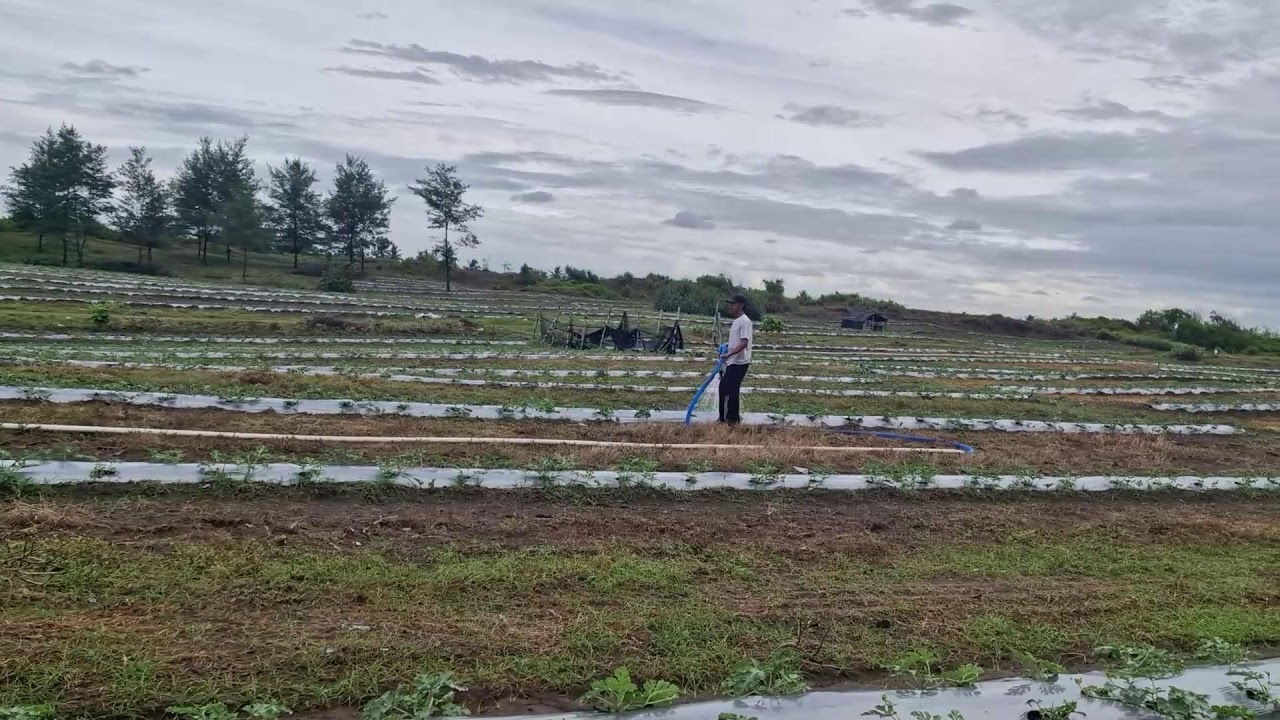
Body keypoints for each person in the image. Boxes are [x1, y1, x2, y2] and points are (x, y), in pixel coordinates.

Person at [718, 294, 753, 424]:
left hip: (739, 362)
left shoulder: (745, 321)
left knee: (731, 390)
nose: (730, 306)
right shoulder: (737, 321)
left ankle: (732, 420)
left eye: (733, 304)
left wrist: (729, 354)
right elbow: (736, 341)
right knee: (724, 388)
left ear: (741, 305)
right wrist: (726, 349)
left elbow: (744, 342)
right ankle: (724, 418)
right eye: (730, 304)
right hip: (733, 361)